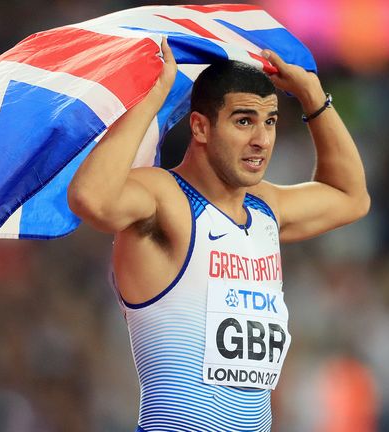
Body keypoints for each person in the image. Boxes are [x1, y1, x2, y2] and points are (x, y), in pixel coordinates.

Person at [67, 38, 370, 431]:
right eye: (244, 121)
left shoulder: (264, 208)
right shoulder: (166, 199)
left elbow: (351, 198)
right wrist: (152, 98)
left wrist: (313, 95)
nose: (261, 140)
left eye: (270, 122)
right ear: (200, 127)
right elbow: (91, 197)